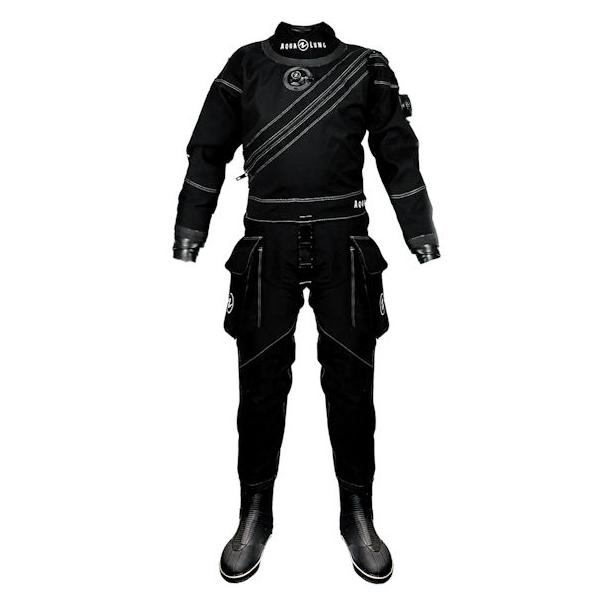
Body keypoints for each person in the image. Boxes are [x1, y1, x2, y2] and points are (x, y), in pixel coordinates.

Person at [173, 21, 439, 583]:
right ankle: (254, 514)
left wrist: (421, 232)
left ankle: (357, 515)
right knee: (259, 386)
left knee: (352, 386)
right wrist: (189, 230)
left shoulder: (366, 64)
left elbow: (397, 150)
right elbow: (208, 149)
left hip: (345, 240)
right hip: (266, 241)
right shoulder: (246, 63)